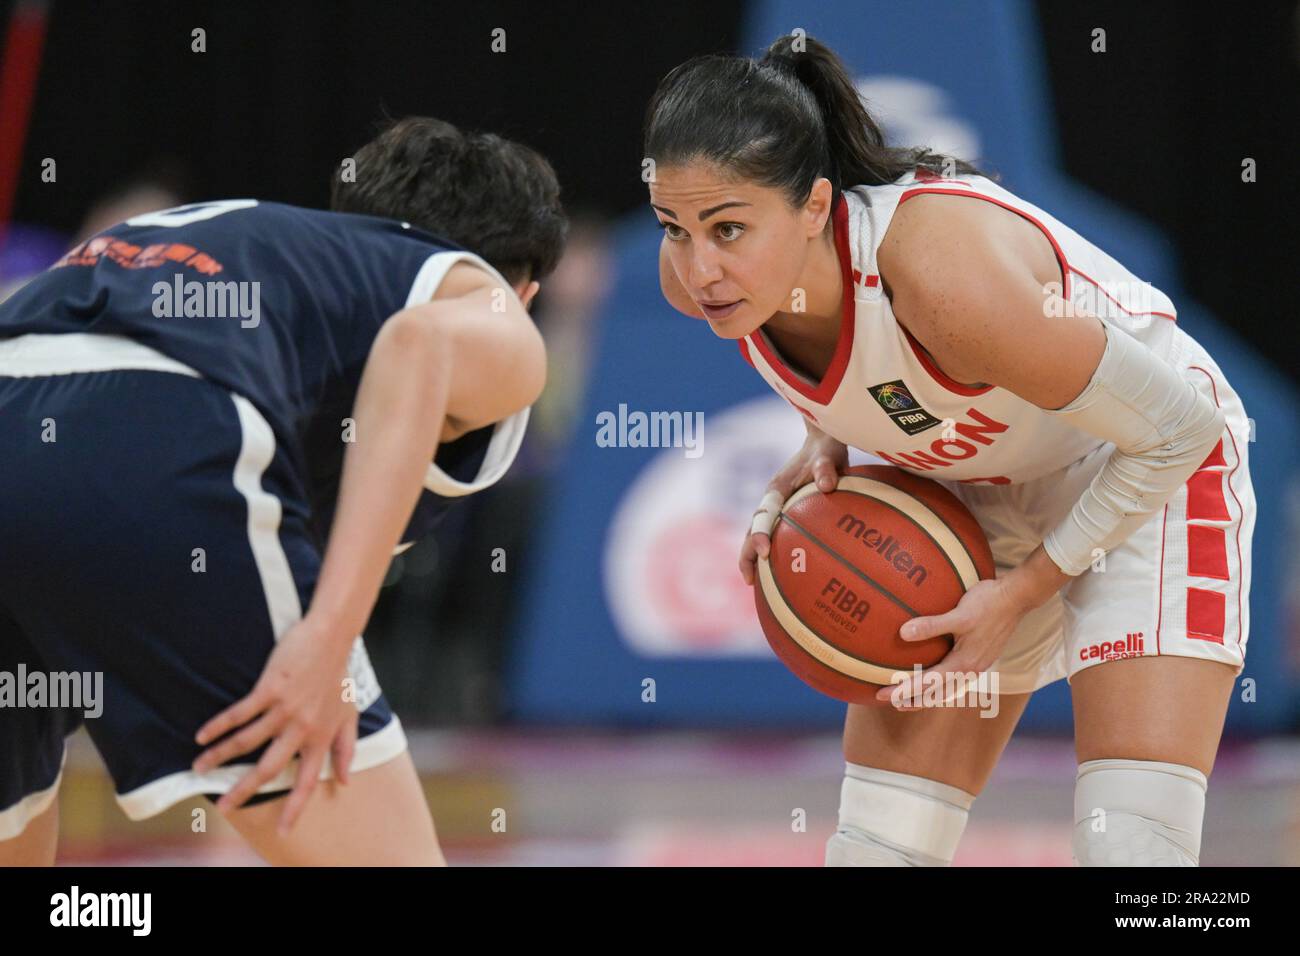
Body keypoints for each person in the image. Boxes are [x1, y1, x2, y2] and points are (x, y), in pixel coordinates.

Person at [644, 35, 1253, 867]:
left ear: (817, 207)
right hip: (969, 482)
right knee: (877, 852)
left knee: (1135, 858)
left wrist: (1025, 590)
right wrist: (824, 438)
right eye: (673, 227)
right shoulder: (698, 281)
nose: (699, 265)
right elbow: (863, 371)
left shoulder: (943, 277)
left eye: (727, 228)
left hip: (1144, 459)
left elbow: (1178, 429)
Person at [0, 116, 565, 865]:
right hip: (157, 427)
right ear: (522, 288)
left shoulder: (279, 252)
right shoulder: (485, 305)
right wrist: (330, 638)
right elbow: (418, 343)